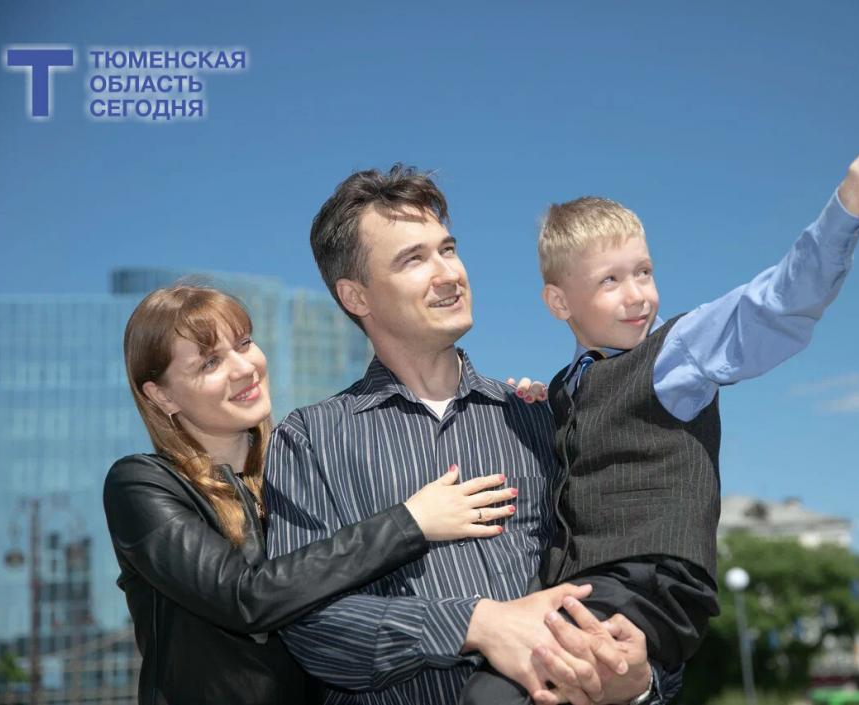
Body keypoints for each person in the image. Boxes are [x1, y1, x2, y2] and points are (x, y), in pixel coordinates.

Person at [460, 128, 859, 704]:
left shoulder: (678, 353)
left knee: (495, 694)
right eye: (610, 280)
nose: (637, 294)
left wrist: (849, 206)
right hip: (583, 589)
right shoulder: (563, 390)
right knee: (495, 681)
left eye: (643, 271)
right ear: (559, 302)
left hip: (651, 583)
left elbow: (776, 303)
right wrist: (538, 411)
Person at [265, 167, 675, 705]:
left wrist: (643, 686)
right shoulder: (309, 440)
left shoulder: (543, 417)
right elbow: (307, 625)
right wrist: (476, 623)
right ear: (356, 296)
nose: (448, 274)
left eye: (449, 250)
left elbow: (635, 580)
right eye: (413, 259)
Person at [103, 285, 519, 705]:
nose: (243, 368)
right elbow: (244, 598)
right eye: (210, 362)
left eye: (244, 343)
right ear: (162, 395)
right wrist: (410, 522)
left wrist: (515, 410)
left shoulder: (303, 464)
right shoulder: (141, 484)